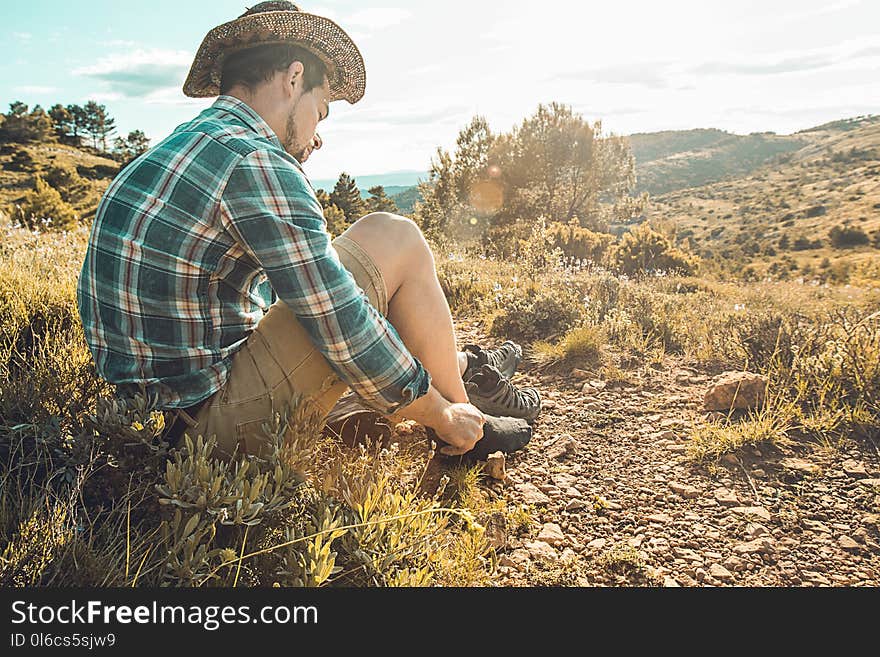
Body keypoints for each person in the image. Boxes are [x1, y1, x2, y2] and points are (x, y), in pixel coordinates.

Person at [76, 1, 539, 461]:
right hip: (208, 431)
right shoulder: (255, 159)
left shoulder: (179, 146)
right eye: (320, 110)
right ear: (293, 78)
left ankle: (460, 367)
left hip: (144, 416)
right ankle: (460, 425)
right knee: (393, 236)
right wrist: (439, 412)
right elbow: (339, 317)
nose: (317, 136)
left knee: (340, 290)